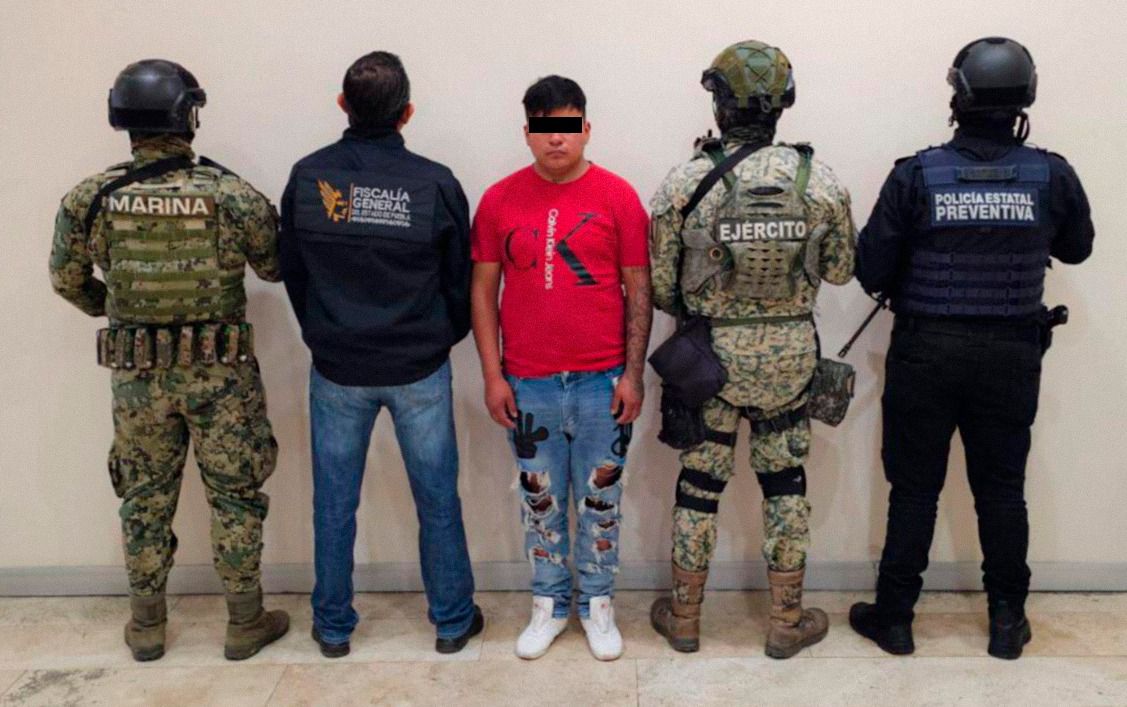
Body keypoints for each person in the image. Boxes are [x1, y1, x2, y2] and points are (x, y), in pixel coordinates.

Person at [850, 37, 1095, 660]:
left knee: (914, 490)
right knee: (1002, 490)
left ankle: (895, 619)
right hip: (1011, 355)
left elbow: (870, 266)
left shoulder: (917, 174)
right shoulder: (1051, 174)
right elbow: (1076, 249)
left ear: (957, 96)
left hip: (926, 352)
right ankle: (1007, 623)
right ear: (1025, 98)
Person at [48, 59, 289, 662]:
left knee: (144, 498)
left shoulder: (90, 198)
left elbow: (67, 280)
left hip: (138, 380)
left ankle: (147, 625)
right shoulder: (229, 193)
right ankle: (245, 621)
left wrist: (118, 311)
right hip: (222, 379)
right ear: (188, 116)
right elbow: (274, 267)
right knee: (235, 495)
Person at [647, 40, 856, 658]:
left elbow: (661, 287)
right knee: (785, 482)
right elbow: (842, 269)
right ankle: (786, 622)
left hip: (708, 361)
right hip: (790, 361)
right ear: (783, 103)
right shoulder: (819, 180)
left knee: (698, 484)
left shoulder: (686, 180)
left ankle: (685, 618)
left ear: (718, 102)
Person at [278, 51, 481, 658]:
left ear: (343, 104)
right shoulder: (434, 183)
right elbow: (460, 281)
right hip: (419, 367)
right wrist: (436, 339)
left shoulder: (309, 177)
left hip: (337, 367)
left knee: (334, 505)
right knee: (438, 500)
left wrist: (324, 333)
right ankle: (451, 622)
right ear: (407, 112)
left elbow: (293, 272)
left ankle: (333, 628)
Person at [470, 75, 652, 661]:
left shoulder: (619, 197)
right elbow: (483, 292)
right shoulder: (498, 200)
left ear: (586, 129)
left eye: (568, 127)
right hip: (529, 383)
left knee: (602, 501)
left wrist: (633, 374)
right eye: (545, 128)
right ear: (527, 133)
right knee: (539, 500)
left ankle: (597, 602)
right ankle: (548, 603)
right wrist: (493, 375)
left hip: (603, 381)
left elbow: (639, 290)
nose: (557, 139)